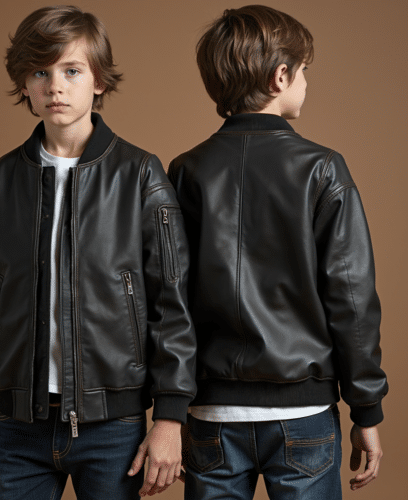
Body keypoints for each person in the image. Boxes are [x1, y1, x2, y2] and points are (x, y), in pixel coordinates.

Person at [0, 6, 196, 499]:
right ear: (24, 84)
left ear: (98, 80)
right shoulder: (3, 179)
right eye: (40, 72)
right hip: (21, 426)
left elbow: (172, 305)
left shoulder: (140, 174)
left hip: (114, 428)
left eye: (71, 71)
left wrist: (170, 417)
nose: (55, 87)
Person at [168, 5, 388, 500]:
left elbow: (169, 299)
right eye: (304, 70)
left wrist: (170, 409)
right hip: (302, 414)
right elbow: (351, 299)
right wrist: (366, 409)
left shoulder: (185, 172)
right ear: (281, 76)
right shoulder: (323, 168)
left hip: (211, 413)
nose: (306, 81)